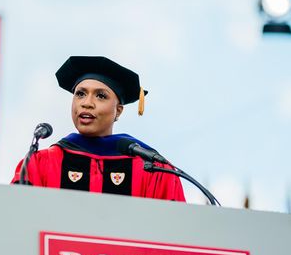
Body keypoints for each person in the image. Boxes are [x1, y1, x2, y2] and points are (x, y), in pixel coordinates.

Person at [12, 56, 185, 202]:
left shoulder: (154, 171)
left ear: (118, 111)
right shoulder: (41, 163)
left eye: (101, 96)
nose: (86, 103)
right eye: (80, 94)